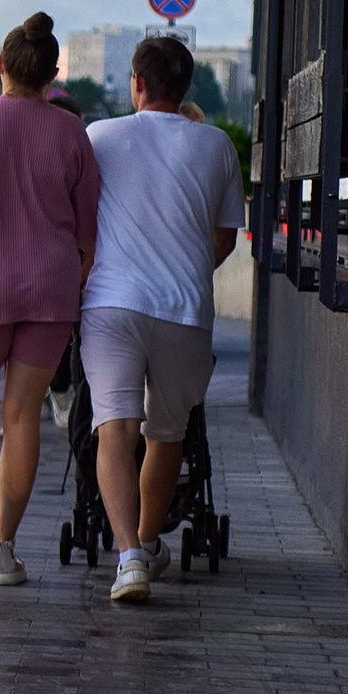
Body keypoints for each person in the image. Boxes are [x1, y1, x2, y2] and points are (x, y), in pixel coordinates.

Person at [84, 36, 243, 604]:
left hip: (110, 305)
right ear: (185, 87)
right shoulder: (218, 145)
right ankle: (148, 542)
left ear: (137, 83)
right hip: (184, 310)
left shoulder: (99, 136)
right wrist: (188, 266)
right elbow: (224, 239)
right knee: (165, 434)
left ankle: (128, 558)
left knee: (114, 428)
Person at [0, 12, 98, 588]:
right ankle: (3, 553)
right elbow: (88, 234)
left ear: (2, 65)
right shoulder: (70, 132)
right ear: (53, 74)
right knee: (21, 418)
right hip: (50, 289)